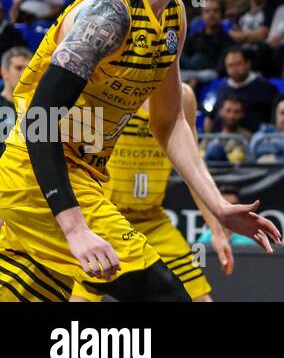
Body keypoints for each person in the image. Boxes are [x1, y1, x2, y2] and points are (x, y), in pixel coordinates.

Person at [0, 0, 277, 302]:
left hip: (79, 180)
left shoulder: (173, 17)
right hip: (39, 181)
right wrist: (75, 228)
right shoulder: (109, 13)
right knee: (164, 295)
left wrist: (217, 205)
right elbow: (41, 117)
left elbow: (169, 122)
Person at [70, 82, 232, 302]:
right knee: (81, 298)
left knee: (200, 298)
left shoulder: (182, 96)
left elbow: (193, 168)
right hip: (106, 219)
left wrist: (217, 231)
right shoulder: (107, 88)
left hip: (153, 220)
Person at [206, 47, 280, 133]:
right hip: (221, 139)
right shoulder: (222, 88)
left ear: (248, 63)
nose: (234, 69)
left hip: (255, 141)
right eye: (230, 65)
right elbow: (211, 117)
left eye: (238, 64)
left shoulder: (265, 88)